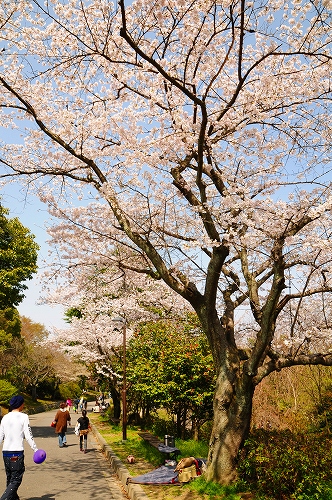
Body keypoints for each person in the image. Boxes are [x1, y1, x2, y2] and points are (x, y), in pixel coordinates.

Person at [0, 395, 39, 500]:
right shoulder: (24, 417)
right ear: (20, 404)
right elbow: (28, 435)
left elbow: (0, 436)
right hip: (16, 453)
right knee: (16, 479)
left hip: (5, 453)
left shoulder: (5, 417)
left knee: (10, 478)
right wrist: (35, 449)